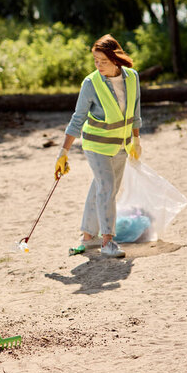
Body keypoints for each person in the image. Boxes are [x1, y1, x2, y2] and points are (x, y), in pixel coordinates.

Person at [55, 34, 142, 259]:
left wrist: (136, 139)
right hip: (96, 145)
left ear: (116, 59)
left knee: (103, 188)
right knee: (107, 188)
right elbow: (78, 118)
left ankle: (87, 237)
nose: (98, 65)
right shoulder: (90, 83)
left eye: (103, 61)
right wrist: (63, 152)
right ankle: (107, 242)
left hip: (121, 145)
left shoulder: (132, 77)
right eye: (95, 60)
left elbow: (136, 111)